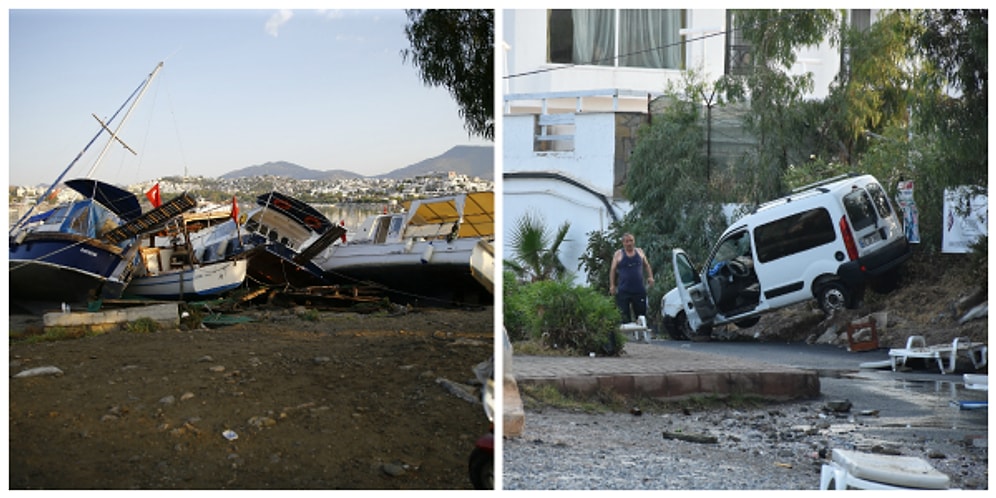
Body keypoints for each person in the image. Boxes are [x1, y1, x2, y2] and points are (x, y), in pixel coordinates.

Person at [609, 233, 654, 352]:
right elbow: (613, 270)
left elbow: (647, 265)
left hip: (638, 289)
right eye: (626, 241)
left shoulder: (639, 252)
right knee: (624, 315)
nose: (629, 243)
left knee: (641, 314)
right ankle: (628, 339)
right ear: (623, 243)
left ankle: (641, 336)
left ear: (634, 241)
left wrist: (650, 277)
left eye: (631, 241)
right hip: (624, 290)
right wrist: (612, 285)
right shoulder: (619, 254)